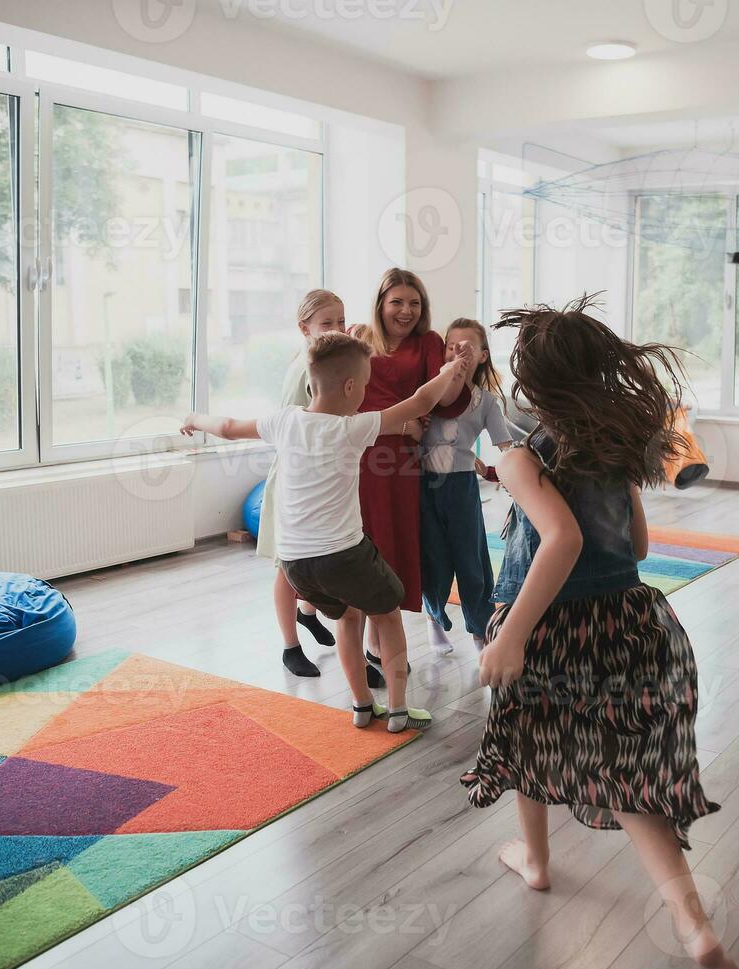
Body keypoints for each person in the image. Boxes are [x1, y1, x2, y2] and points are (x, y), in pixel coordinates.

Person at [460, 298, 739, 969]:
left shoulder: (525, 457)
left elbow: (563, 539)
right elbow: (638, 544)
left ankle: (535, 860)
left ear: (535, 384)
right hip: (629, 620)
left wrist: (512, 638)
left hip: (551, 628)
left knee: (528, 741)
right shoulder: (615, 451)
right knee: (631, 781)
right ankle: (694, 926)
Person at [182, 333, 471, 733]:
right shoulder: (351, 428)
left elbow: (228, 427)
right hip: (345, 555)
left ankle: (361, 705)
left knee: (348, 619)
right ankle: (400, 708)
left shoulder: (285, 420)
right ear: (350, 387)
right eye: (366, 383)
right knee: (386, 614)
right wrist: (450, 370)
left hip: (297, 564)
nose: (367, 390)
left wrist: (195, 418)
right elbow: (421, 402)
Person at [353, 268, 471, 687]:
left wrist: (459, 371)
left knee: (391, 548)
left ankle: (376, 645)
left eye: (414, 303)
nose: (406, 311)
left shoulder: (428, 343)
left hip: (399, 464)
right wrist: (401, 425)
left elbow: (443, 403)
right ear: (381, 304)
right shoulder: (358, 336)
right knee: (362, 548)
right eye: (397, 302)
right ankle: (369, 648)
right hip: (359, 457)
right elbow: (344, 400)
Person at [256, 289, 346, 678]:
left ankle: (308, 612)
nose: (337, 329)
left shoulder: (321, 360)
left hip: (315, 479)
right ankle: (290, 646)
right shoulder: (310, 368)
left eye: (341, 321)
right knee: (285, 565)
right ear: (304, 327)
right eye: (328, 323)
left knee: (317, 557)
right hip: (293, 480)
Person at [419, 318, 513, 655]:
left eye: (467, 347)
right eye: (451, 346)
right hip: (425, 487)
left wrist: (501, 473)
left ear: (483, 356)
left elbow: (506, 447)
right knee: (435, 559)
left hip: (461, 490)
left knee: (472, 562)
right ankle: (434, 619)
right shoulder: (429, 392)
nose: (458, 352)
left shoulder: (486, 402)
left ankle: (479, 630)